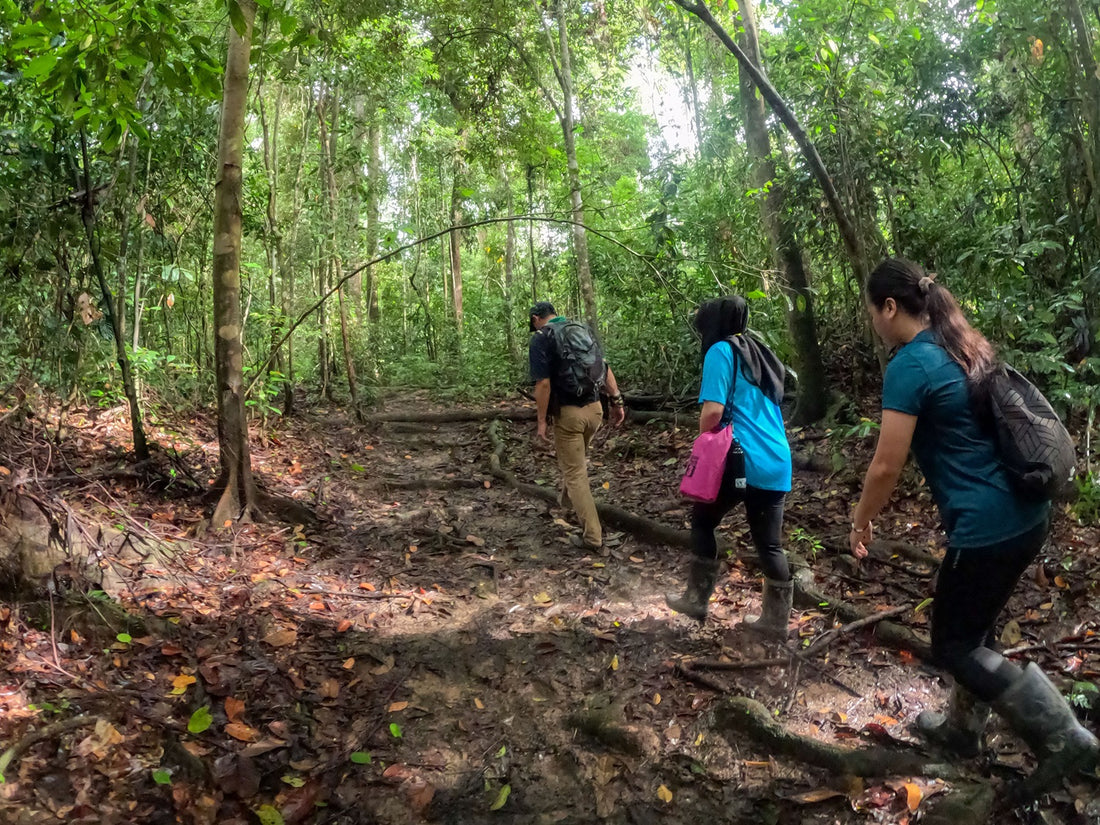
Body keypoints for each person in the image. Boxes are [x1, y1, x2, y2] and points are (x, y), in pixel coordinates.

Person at [849, 257, 1098, 794]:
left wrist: (860, 521)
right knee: (978, 629)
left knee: (956, 645)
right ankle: (963, 731)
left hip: (988, 528)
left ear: (890, 307)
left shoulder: (909, 365)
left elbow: (886, 465)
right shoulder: (959, 343)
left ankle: (1064, 734)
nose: (872, 321)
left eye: (872, 310)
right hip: (1027, 516)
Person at [666, 296, 793, 637]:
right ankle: (776, 623)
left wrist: (702, 443)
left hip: (741, 460)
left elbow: (712, 413)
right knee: (770, 545)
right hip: (777, 461)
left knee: (703, 521)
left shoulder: (721, 352)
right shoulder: (759, 353)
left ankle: (696, 598)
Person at [528, 301, 625, 551]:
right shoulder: (581, 328)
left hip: (569, 416)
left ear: (537, 318)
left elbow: (544, 385)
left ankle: (593, 537)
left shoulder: (541, 338)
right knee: (574, 465)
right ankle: (566, 502)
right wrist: (617, 401)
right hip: (595, 411)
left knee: (575, 473)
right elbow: (604, 366)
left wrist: (541, 422)